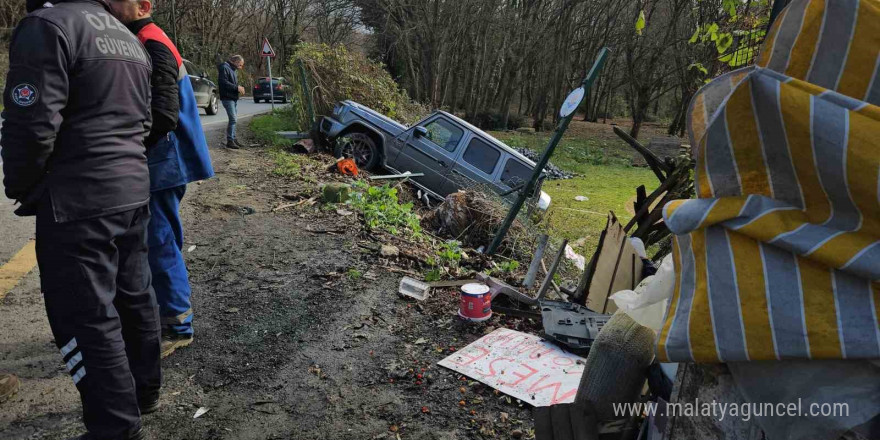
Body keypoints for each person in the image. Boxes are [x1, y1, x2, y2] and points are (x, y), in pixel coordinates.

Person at [1, 0, 160, 438]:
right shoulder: (126, 36)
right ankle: (144, 392)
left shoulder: (47, 26)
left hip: (78, 199)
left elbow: (30, 122)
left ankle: (115, 427)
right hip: (130, 188)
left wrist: (21, 185)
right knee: (133, 295)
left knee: (85, 317)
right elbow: (144, 119)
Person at [109, 0, 214, 359]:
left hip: (164, 160)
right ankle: (167, 315)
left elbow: (164, 115)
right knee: (161, 238)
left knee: (160, 241)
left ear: (143, 6)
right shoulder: (146, 38)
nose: (108, 5)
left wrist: (130, 144)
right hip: (165, 159)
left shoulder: (151, 42)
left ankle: (178, 326)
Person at [217, 55, 246, 149]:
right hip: (227, 98)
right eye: (240, 65)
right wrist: (236, 88)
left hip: (233, 97)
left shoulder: (232, 69)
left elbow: (232, 83)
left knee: (234, 119)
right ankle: (230, 140)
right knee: (233, 119)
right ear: (235, 62)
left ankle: (233, 138)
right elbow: (223, 82)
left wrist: (239, 88)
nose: (241, 67)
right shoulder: (224, 67)